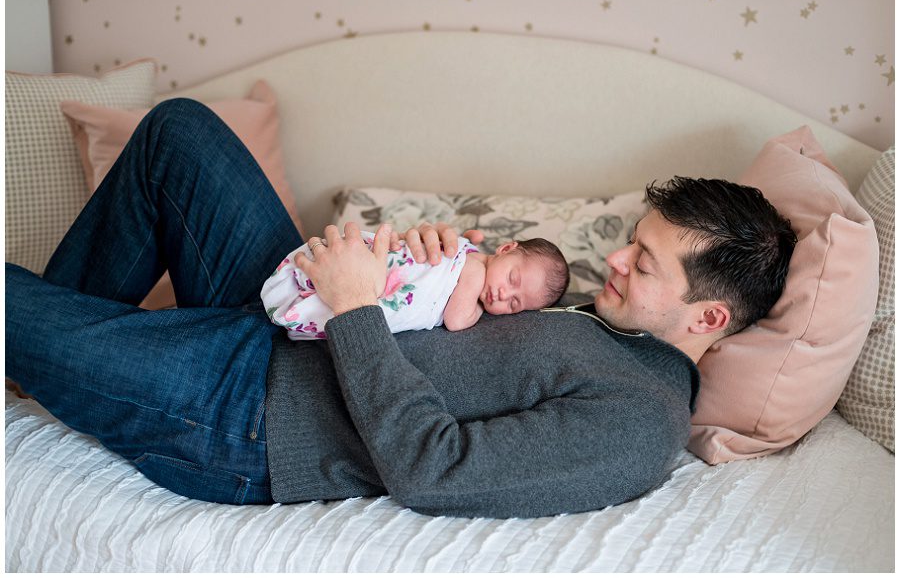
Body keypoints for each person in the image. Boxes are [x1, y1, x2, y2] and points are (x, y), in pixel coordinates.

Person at [5, 99, 796, 518]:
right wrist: (437, 259)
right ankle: (52, 353)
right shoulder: (597, 313)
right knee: (178, 131)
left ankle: (50, 344)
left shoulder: (640, 421)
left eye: (645, 263)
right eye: (631, 242)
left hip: (248, 412)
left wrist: (355, 311)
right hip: (292, 314)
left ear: (708, 320)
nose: (614, 260)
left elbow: (435, 471)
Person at [261, 233, 570, 338]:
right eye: (512, 279)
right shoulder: (474, 267)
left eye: (515, 304)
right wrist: (477, 309)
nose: (504, 293)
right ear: (504, 249)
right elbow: (456, 319)